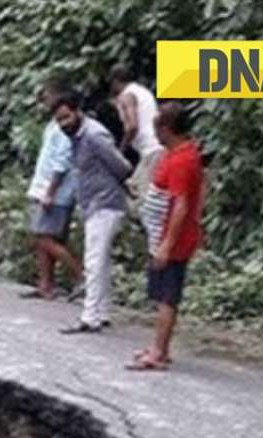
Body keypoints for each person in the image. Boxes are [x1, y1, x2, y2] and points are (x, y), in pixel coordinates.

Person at [130, 102, 204, 372]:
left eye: (156, 128)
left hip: (171, 240)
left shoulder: (183, 160)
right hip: (162, 236)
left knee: (167, 297)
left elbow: (181, 204)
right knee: (160, 293)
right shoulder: (178, 154)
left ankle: (159, 352)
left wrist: (167, 245)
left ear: (166, 128)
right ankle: (158, 347)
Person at [54, 91, 133, 334]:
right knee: (102, 260)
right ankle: (102, 312)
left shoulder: (94, 135)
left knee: (94, 260)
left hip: (105, 203)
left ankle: (90, 317)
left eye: (66, 117)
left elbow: (122, 166)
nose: (63, 124)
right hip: (94, 203)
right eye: (59, 120)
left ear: (77, 111)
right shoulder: (77, 136)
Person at [22, 80, 81, 300]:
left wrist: (50, 191)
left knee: (44, 238)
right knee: (42, 237)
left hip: (55, 191)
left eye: (47, 97)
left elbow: (62, 163)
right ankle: (45, 283)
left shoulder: (64, 127)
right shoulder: (53, 124)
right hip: (43, 187)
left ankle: (80, 276)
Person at [109, 64, 162, 209]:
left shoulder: (127, 96)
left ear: (115, 81)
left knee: (141, 200)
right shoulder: (142, 92)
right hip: (154, 149)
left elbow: (132, 126)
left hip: (151, 150)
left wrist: (121, 150)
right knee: (134, 189)